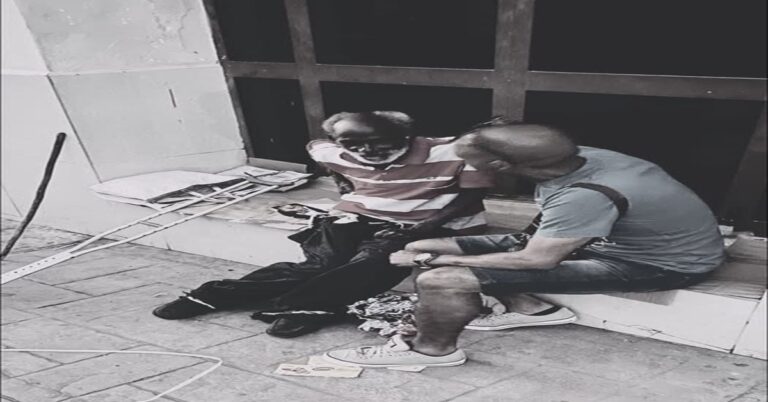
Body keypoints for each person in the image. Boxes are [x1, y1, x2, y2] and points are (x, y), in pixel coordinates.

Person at [322, 119, 725, 368]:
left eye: (470, 162)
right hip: (605, 239)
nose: (463, 167)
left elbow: (537, 259)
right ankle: (533, 309)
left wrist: (432, 260)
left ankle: (430, 351)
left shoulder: (583, 195)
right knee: (434, 245)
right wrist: (432, 246)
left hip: (657, 265)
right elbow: (534, 237)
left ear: (499, 165)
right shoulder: (581, 159)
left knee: (440, 279)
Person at [152, 111, 494, 338]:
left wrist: (425, 226)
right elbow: (319, 149)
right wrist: (343, 184)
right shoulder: (333, 151)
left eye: (380, 143)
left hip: (417, 224)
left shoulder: (452, 151)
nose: (367, 151)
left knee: (373, 263)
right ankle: (211, 295)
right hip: (353, 215)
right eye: (354, 145)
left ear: (407, 135)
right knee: (321, 263)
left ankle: (307, 307)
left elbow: (471, 197)